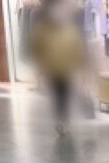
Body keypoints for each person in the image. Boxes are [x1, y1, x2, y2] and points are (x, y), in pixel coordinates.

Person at [29, 0, 86, 135]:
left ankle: (63, 119)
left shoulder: (67, 29)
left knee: (63, 93)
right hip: (54, 66)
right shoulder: (46, 28)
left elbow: (76, 47)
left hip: (64, 66)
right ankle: (62, 119)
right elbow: (38, 46)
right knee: (59, 93)